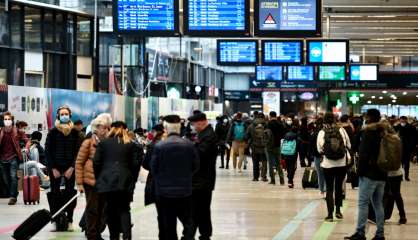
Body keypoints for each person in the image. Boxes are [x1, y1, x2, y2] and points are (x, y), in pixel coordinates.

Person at [151, 115, 199, 240]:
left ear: (166, 129)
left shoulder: (159, 146)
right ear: (179, 129)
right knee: (188, 221)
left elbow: (154, 168)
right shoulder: (189, 145)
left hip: (164, 192)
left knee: (168, 224)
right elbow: (196, 166)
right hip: (185, 190)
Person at [93, 121, 141, 240]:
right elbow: (135, 164)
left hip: (107, 181)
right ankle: (127, 237)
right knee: (124, 209)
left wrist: (100, 177)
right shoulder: (131, 144)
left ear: (111, 129)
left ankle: (114, 237)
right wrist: (132, 179)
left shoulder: (103, 143)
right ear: (125, 129)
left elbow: (96, 162)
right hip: (125, 181)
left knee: (110, 210)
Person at [345, 109, 388, 240]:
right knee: (378, 204)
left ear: (369, 118)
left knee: (363, 203)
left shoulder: (368, 132)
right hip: (382, 174)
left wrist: (359, 172)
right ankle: (380, 234)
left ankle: (360, 233)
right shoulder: (384, 132)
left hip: (369, 174)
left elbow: (363, 155)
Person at [45, 106, 82, 231]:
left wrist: (72, 167)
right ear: (58, 116)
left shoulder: (76, 133)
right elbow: (47, 151)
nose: (64, 116)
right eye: (62, 114)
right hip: (55, 168)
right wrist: (53, 168)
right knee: (54, 194)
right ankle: (55, 220)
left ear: (70, 116)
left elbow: (79, 152)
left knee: (70, 193)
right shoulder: (52, 132)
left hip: (70, 168)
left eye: (66, 114)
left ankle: (70, 220)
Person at [75, 113, 112, 240]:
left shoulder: (110, 143)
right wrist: (79, 183)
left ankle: (97, 233)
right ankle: (91, 234)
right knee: (92, 209)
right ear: (97, 127)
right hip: (90, 182)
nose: (106, 129)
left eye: (107, 127)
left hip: (105, 182)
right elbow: (79, 163)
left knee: (102, 209)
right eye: (103, 127)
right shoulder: (88, 143)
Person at [188, 112, 217, 240]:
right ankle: (203, 234)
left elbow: (201, 155)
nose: (193, 127)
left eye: (194, 124)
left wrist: (190, 147)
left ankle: (198, 234)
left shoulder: (209, 136)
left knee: (198, 209)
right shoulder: (204, 134)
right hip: (201, 179)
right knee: (200, 209)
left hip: (203, 179)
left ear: (201, 122)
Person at [317, 113, 351, 222]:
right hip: (341, 163)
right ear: (335, 120)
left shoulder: (322, 132)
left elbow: (319, 149)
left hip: (327, 164)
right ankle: (338, 211)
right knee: (338, 187)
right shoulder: (341, 130)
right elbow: (348, 145)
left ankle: (330, 215)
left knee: (329, 188)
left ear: (324, 121)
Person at [0, 112, 30, 205]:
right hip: (2, 158)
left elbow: (27, 140)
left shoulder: (17, 131)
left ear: (12, 120)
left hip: (14, 157)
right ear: (3, 120)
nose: (7, 121)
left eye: (9, 119)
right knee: (6, 178)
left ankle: (13, 197)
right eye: (5, 119)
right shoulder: (0, 131)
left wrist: (26, 148)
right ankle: (14, 192)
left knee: (13, 176)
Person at [246, 113, 270, 182]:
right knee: (264, 162)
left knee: (255, 162)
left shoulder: (251, 126)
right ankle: (263, 177)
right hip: (264, 147)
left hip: (254, 147)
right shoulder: (267, 125)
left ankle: (255, 177)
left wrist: (250, 141)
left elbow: (246, 136)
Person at [266, 111, 286, 185]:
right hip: (277, 146)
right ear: (276, 116)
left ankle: (273, 180)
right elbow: (283, 135)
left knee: (271, 164)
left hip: (270, 146)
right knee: (278, 163)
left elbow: (266, 135)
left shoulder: (268, 124)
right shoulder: (280, 124)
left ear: (270, 116)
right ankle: (282, 180)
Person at [394, 116, 416, 181]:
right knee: (399, 164)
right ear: (400, 120)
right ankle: (400, 176)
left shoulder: (411, 127)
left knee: (407, 163)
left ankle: (406, 176)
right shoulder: (397, 127)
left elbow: (413, 138)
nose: (402, 121)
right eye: (401, 120)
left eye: (404, 120)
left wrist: (412, 146)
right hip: (399, 148)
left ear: (406, 120)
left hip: (407, 148)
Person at [310, 118, 326, 196]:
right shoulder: (326, 132)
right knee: (326, 173)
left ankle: (321, 190)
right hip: (326, 156)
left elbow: (311, 146)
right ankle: (326, 189)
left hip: (317, 156)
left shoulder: (314, 133)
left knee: (320, 174)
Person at [281, 120, 299, 188]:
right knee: (293, 167)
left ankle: (289, 176)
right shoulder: (296, 136)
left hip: (286, 153)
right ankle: (290, 180)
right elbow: (298, 145)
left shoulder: (286, 134)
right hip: (293, 154)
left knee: (288, 166)